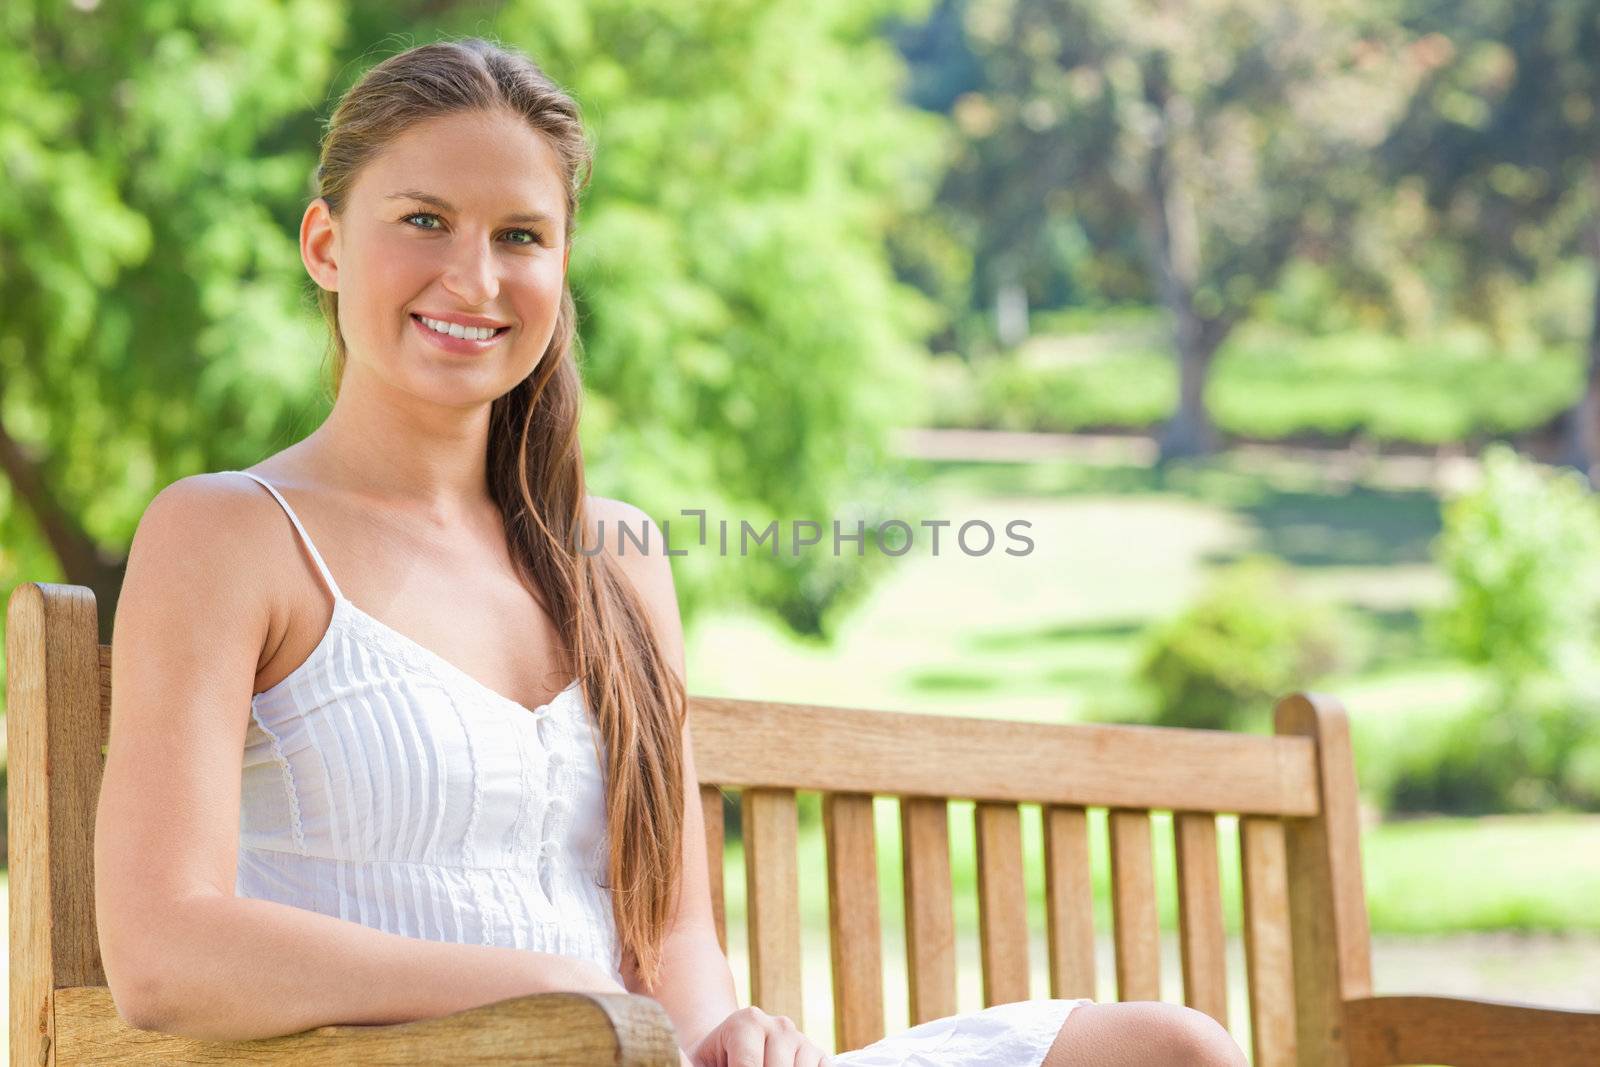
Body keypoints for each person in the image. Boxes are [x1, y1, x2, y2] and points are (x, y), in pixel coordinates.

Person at [94, 36, 1247, 1067]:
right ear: (326, 243)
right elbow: (165, 950)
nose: (475, 277)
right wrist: (542, 991)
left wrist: (725, 1035)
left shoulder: (617, 555)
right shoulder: (230, 531)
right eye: (424, 220)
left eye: (521, 237)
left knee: (1166, 1046)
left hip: (640, 1058)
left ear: (559, 267)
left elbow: (670, 929)